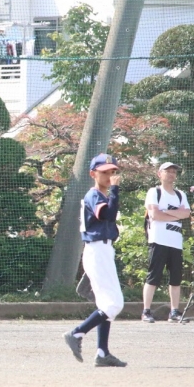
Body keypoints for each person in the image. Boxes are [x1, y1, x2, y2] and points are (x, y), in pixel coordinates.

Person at [63, 153, 127, 367]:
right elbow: (108, 215)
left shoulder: (101, 195)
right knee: (114, 304)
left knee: (106, 304)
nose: (110, 175)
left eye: (113, 171)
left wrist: (113, 192)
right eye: (105, 172)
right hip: (97, 250)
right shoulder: (94, 195)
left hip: (103, 250)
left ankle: (102, 353)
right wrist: (115, 190)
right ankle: (77, 333)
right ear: (93, 174)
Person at [141, 162, 190, 323]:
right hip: (158, 240)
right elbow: (155, 215)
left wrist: (166, 212)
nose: (171, 174)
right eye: (168, 171)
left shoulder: (180, 194)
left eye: (174, 172)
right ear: (159, 174)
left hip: (175, 242)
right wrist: (176, 214)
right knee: (153, 276)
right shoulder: (154, 192)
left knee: (176, 278)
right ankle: (146, 311)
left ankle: (174, 312)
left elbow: (186, 213)